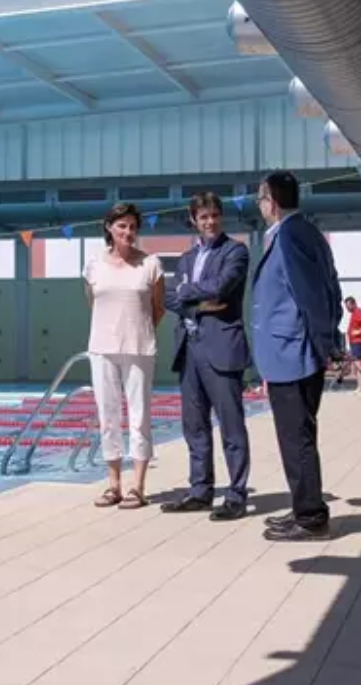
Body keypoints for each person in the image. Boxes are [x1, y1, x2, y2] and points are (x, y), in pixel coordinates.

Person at [251, 171, 343, 541]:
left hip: (293, 353)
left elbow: (309, 296)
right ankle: (303, 504)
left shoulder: (289, 236)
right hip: (295, 351)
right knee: (299, 435)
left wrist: (324, 344)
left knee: (296, 437)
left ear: (269, 201)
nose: (260, 206)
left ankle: (310, 516)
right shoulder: (308, 232)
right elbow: (332, 288)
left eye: (260, 199)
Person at [161, 192, 252, 521]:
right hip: (189, 349)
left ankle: (236, 495)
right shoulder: (185, 259)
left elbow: (223, 287)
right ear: (193, 221)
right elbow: (168, 297)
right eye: (203, 217)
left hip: (221, 347)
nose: (210, 222)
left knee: (231, 427)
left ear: (220, 217)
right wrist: (196, 302)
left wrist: (187, 292)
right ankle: (200, 491)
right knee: (194, 426)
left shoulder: (236, 251)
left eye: (214, 215)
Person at [83, 202, 165, 510]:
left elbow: (158, 308)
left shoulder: (150, 264)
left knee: (139, 417)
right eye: (122, 226)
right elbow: (93, 302)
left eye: (132, 227)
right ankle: (114, 484)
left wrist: (138, 330)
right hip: (102, 347)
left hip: (139, 347)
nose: (128, 232)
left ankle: (138, 487)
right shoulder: (93, 265)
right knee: (108, 416)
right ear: (109, 228)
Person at [344, 297, 361, 395]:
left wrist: (359, 331)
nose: (347, 309)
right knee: (356, 363)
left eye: (348, 306)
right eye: (346, 307)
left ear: (353, 304)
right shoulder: (354, 313)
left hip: (357, 342)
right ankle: (359, 388)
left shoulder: (358, 311)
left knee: (357, 362)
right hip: (354, 342)